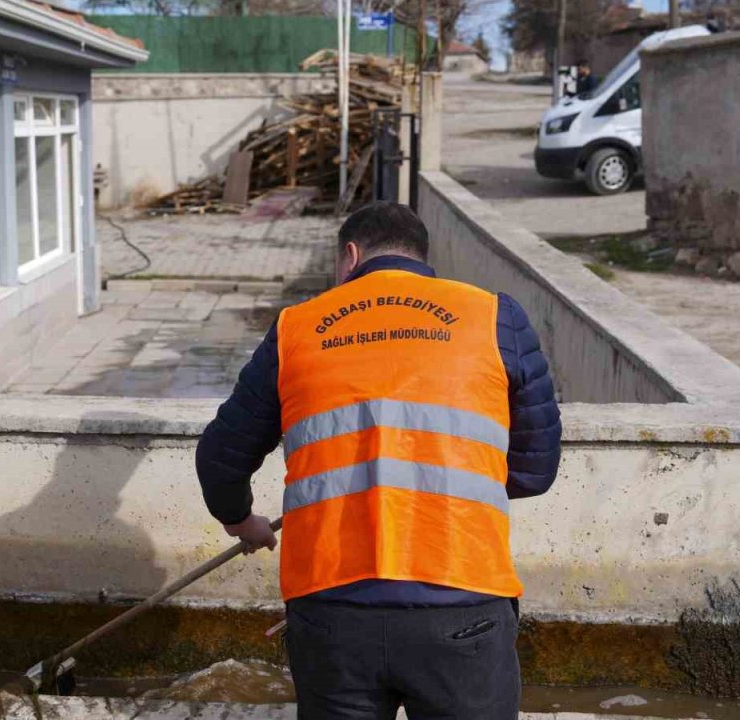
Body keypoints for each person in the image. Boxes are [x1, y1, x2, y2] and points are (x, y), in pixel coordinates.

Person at [195, 202, 561, 720]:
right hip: (461, 601)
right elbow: (535, 469)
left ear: (350, 256)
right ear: (421, 256)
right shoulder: (495, 317)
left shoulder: (298, 328)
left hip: (333, 611)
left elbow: (219, 459)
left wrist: (242, 521)